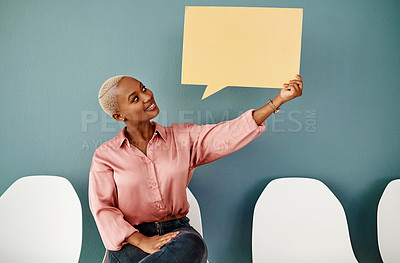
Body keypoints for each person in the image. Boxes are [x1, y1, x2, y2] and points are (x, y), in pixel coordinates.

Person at [88, 74, 303, 263]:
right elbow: (103, 209)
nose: (146, 97)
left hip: (178, 235)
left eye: (143, 88)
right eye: (135, 98)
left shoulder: (183, 138)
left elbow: (227, 134)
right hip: (132, 241)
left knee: (193, 246)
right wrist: (143, 241)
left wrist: (278, 100)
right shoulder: (105, 156)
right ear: (119, 116)